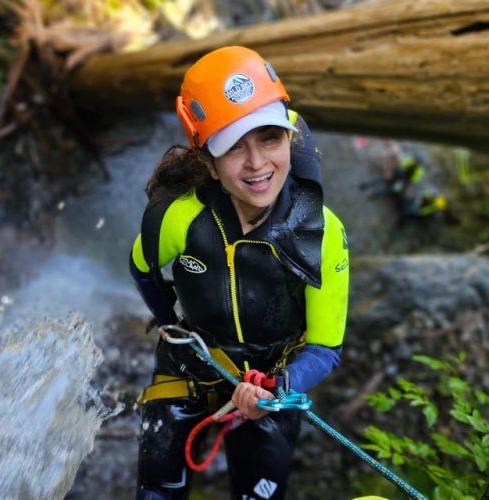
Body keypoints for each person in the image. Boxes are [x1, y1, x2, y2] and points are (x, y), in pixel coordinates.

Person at [129, 46, 349, 499]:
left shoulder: (321, 233)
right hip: (190, 361)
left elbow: (326, 348)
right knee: (156, 489)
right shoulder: (179, 218)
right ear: (207, 161)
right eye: (233, 147)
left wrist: (278, 387)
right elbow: (142, 269)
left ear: (289, 138)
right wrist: (170, 324)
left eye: (270, 138)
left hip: (273, 377)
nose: (256, 164)